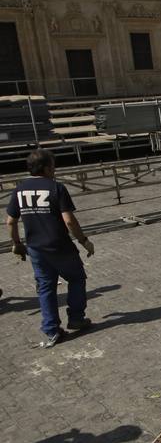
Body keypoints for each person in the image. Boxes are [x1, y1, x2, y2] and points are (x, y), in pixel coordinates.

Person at [6, 148, 95, 347]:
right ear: (46, 168)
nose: (54, 170)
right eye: (53, 166)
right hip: (60, 246)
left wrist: (17, 244)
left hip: (36, 249)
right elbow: (69, 221)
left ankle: (51, 330)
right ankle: (76, 318)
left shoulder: (19, 190)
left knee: (45, 288)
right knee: (77, 278)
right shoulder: (56, 188)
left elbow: (10, 221)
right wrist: (84, 241)